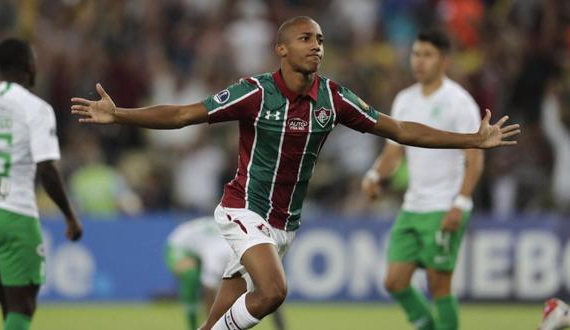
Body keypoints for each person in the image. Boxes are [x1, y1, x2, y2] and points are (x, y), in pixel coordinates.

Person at [71, 16, 519, 330]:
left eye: (320, 39)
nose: (317, 46)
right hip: (243, 209)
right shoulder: (255, 92)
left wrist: (473, 140)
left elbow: (399, 129)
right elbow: (185, 113)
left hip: (285, 226)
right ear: (282, 49)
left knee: (221, 315)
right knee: (272, 293)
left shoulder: (334, 99)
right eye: (306, 39)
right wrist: (121, 115)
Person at [361, 30, 483, 330]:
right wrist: (375, 174)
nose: (419, 61)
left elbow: (475, 157)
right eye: (416, 54)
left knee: (438, 284)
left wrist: (461, 202)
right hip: (413, 206)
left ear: (444, 60)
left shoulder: (459, 102)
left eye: (427, 55)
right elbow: (394, 152)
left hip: (445, 205)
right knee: (394, 281)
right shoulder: (404, 99)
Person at [0, 38, 83, 330]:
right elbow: (46, 169)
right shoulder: (36, 108)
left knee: (8, 307)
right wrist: (69, 215)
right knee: (23, 306)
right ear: (29, 66)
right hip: (14, 213)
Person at [165, 216, 286, 330]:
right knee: (191, 276)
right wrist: (214, 323)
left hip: (211, 238)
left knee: (268, 284)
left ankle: (281, 328)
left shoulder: (243, 246)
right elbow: (208, 288)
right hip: (179, 245)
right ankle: (193, 326)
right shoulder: (216, 255)